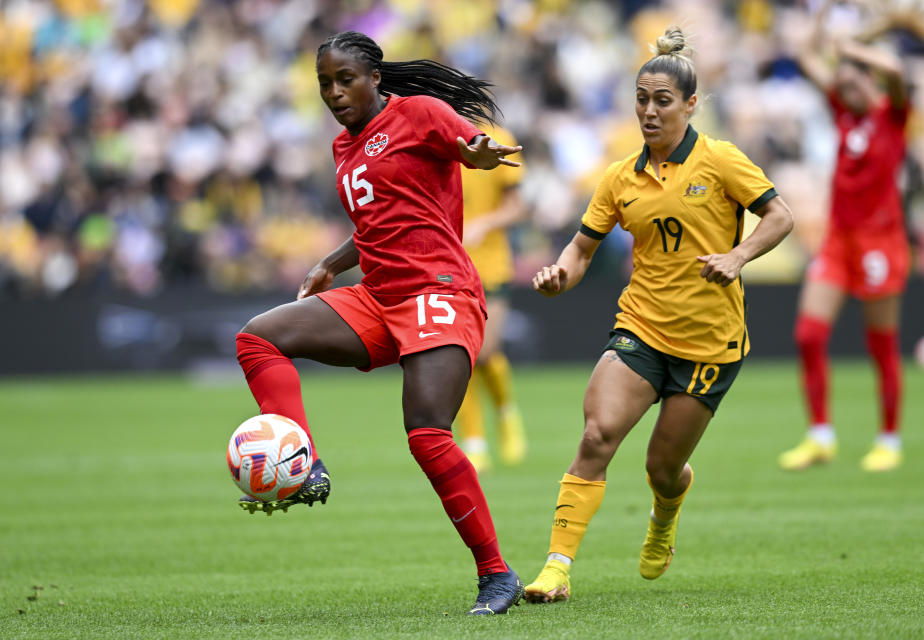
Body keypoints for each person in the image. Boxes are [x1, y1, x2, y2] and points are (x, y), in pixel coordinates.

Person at [233, 31, 524, 615]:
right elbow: (378, 222)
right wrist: (329, 264)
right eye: (324, 84)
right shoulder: (346, 147)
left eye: (345, 80)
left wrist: (478, 151)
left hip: (439, 291)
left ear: (374, 78)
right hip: (378, 296)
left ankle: (496, 574)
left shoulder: (419, 113)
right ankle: (303, 461)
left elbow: (466, 144)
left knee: (426, 433)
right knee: (257, 338)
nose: (335, 93)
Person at [523, 27, 794, 602]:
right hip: (641, 327)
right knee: (596, 435)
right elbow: (581, 248)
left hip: (709, 344)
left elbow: (779, 217)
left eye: (662, 100)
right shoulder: (620, 177)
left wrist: (737, 255)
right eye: (641, 99)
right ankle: (556, 567)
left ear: (690, 104)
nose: (649, 110)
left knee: (661, 468)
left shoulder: (721, 161)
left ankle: (665, 513)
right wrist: (559, 276)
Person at [779, 13, 910, 473]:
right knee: (809, 335)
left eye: (853, 78)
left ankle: (888, 439)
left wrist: (853, 47)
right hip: (839, 240)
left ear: (868, 80)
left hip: (881, 241)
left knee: (881, 344)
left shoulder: (892, 114)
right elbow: (804, 57)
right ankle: (821, 436)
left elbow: (895, 73)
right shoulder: (844, 112)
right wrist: (819, 15)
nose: (844, 85)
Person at [455, 123, 528, 473]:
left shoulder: (499, 136)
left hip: (491, 265)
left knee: (486, 351)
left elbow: (517, 207)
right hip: (449, 266)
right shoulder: (434, 136)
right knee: (462, 355)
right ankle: (474, 442)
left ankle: (506, 412)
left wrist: (483, 224)